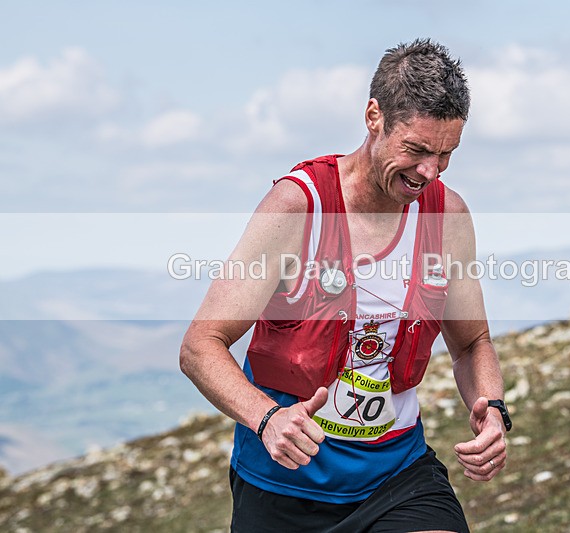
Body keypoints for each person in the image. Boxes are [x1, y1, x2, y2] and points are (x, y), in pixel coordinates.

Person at [180, 38, 511, 533]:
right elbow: (200, 346)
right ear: (374, 117)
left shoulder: (448, 217)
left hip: (396, 477)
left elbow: (471, 344)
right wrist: (267, 418)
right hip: (284, 483)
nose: (429, 172)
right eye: (416, 150)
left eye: (446, 154)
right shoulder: (299, 207)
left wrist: (493, 410)